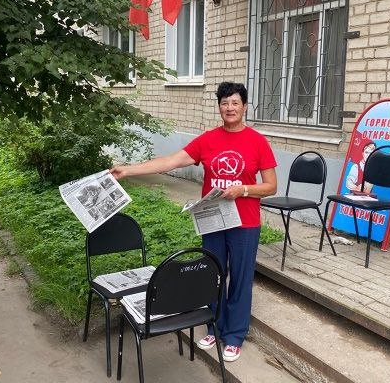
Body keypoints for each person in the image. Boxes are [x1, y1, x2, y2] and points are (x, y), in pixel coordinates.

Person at [109, 82, 277, 362]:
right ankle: (214, 326)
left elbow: (271, 186)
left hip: (245, 223)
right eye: (224, 103)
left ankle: (234, 335)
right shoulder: (208, 140)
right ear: (219, 107)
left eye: (235, 103)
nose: (230, 108)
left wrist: (243, 190)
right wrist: (128, 170)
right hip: (213, 220)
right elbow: (170, 161)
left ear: (245, 106)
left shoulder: (257, 141)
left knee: (240, 278)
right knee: (212, 275)